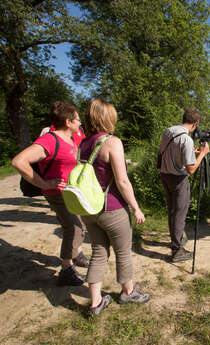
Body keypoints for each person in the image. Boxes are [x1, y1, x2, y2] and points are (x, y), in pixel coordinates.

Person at [79, 99, 150, 316]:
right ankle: (128, 292)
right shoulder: (112, 142)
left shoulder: (84, 143)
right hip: (112, 208)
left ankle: (95, 301)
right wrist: (136, 207)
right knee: (123, 251)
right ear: (108, 118)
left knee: (99, 252)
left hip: (89, 208)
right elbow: (122, 181)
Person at [12, 101, 89, 286]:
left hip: (71, 192)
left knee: (79, 225)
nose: (80, 123)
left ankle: (75, 254)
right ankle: (66, 269)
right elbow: (19, 161)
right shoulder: (49, 140)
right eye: (78, 119)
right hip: (57, 193)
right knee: (74, 228)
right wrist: (44, 183)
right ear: (68, 121)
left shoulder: (71, 138)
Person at [159, 108, 210, 263]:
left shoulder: (169, 131)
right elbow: (191, 169)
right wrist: (202, 153)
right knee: (180, 214)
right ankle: (177, 250)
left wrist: (189, 152)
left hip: (165, 175)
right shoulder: (186, 140)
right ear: (196, 123)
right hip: (178, 180)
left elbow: (168, 151)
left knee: (172, 211)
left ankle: (176, 240)